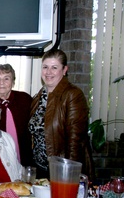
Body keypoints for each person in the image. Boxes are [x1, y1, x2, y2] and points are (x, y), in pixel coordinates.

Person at [29, 48, 94, 179]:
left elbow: (75, 142)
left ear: (64, 70)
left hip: (62, 172)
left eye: (54, 67)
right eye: (45, 67)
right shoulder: (39, 96)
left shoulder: (73, 95)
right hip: (41, 171)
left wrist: (69, 176)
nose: (48, 72)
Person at [0, 64, 33, 166]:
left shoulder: (25, 99)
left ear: (13, 82)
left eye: (6, 79)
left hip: (24, 157)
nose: (1, 83)